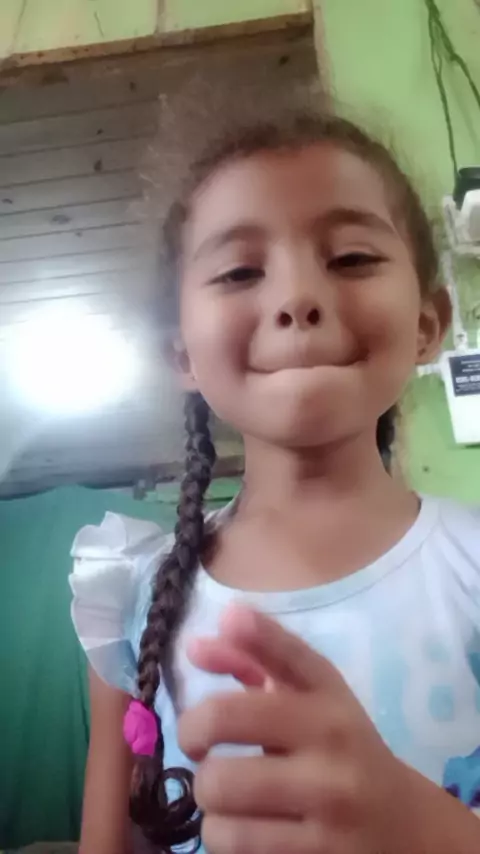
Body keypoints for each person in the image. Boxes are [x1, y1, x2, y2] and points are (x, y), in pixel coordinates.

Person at [70, 111, 480, 854]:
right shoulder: (132, 597)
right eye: (239, 272)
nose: (297, 297)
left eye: (351, 258)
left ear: (429, 322)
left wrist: (430, 831)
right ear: (180, 352)